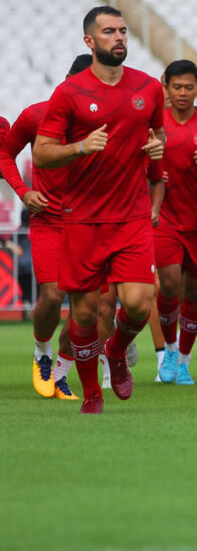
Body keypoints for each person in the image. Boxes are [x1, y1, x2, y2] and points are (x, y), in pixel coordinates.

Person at [33, 6, 166, 414]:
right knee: (86, 313)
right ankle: (92, 394)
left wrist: (157, 149)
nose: (119, 37)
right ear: (90, 41)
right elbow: (41, 154)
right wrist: (79, 147)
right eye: (109, 32)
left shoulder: (148, 88)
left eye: (123, 30)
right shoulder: (68, 93)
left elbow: (157, 133)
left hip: (130, 215)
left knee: (141, 303)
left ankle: (118, 350)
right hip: (82, 218)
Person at [0, 54, 94, 401]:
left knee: (89, 308)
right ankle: (42, 352)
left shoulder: (105, 122)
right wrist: (24, 193)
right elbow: (5, 154)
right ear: (67, 80)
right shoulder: (37, 115)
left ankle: (61, 373)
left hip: (91, 223)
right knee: (53, 296)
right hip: (50, 221)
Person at [153, 60, 197, 386]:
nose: (182, 93)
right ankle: (167, 348)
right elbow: (130, 163)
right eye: (176, 86)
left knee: (194, 292)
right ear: (166, 87)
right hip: (164, 217)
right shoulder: (153, 125)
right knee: (167, 284)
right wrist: (149, 173)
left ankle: (183, 362)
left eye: (188, 87)